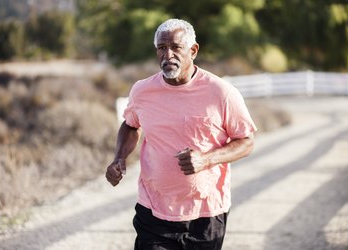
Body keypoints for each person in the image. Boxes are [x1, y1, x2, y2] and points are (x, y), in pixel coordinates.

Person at [106, 18, 257, 250]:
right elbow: (130, 125)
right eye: (161, 48)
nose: (168, 55)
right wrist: (119, 158)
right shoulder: (142, 91)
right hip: (153, 210)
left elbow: (246, 141)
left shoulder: (221, 92)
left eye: (176, 47)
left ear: (193, 50)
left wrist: (206, 159)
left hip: (205, 214)